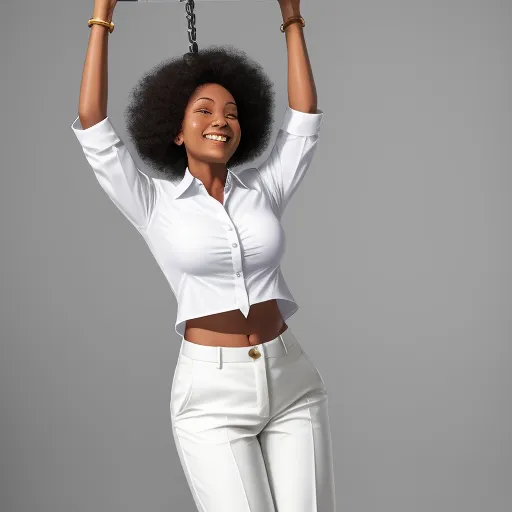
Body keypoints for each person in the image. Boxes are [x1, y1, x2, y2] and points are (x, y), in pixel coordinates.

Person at [71, 0, 336, 510]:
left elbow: (304, 116)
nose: (222, 121)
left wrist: (291, 15)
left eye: (233, 113)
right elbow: (93, 123)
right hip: (212, 396)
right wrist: (103, 13)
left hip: (292, 379)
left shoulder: (265, 188)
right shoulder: (151, 202)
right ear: (175, 129)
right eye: (206, 111)